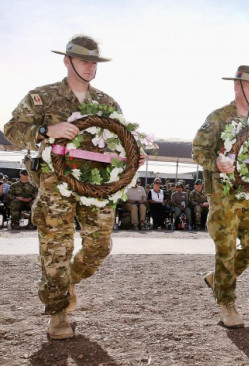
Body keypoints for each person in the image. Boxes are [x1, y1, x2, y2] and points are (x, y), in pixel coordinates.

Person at [3, 35, 146, 339]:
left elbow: (119, 141)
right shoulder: (42, 97)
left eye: (94, 62)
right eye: (84, 60)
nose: (90, 67)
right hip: (55, 188)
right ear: (67, 61)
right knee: (55, 250)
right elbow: (12, 130)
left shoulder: (106, 103)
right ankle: (57, 312)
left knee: (99, 247)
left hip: (97, 190)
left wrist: (132, 157)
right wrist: (44, 130)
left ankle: (67, 282)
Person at [192, 65, 249, 328]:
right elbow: (198, 151)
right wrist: (216, 162)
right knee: (225, 248)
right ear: (237, 87)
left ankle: (218, 278)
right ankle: (226, 301)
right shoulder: (217, 117)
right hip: (223, 195)